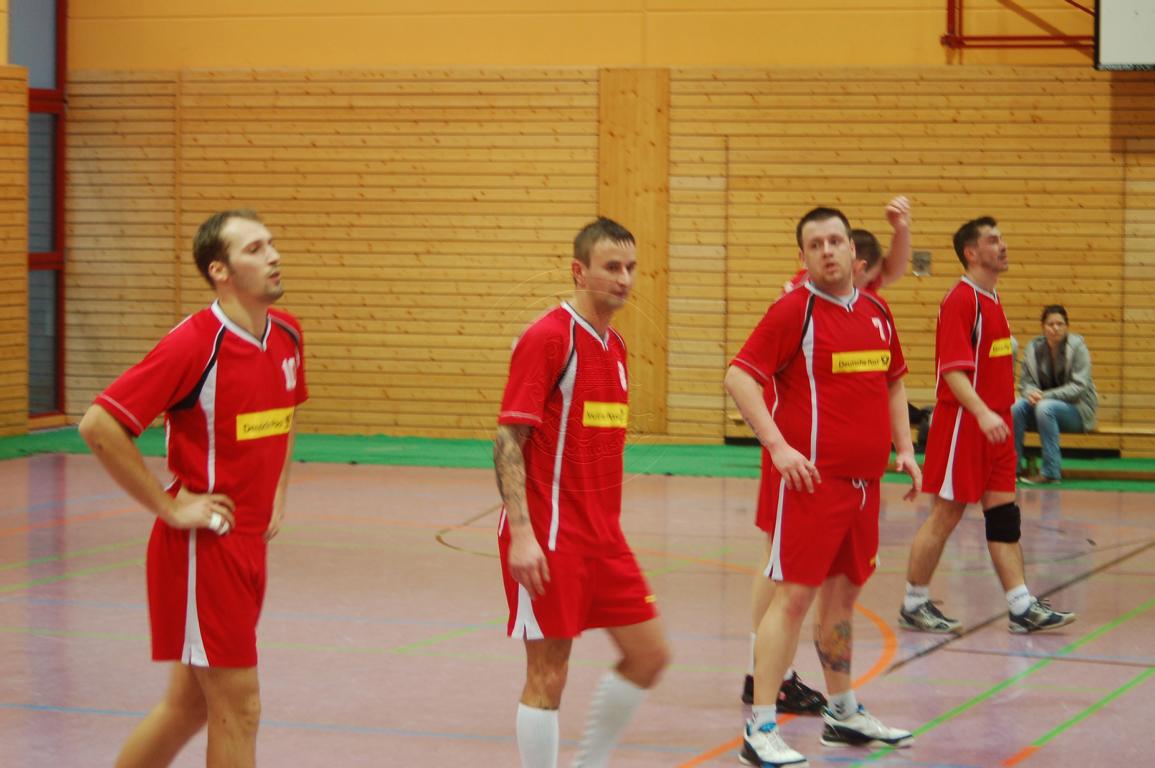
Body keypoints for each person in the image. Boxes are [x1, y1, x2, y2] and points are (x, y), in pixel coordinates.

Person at [78, 210, 306, 768]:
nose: (273, 255)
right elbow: (99, 425)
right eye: (254, 249)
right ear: (219, 271)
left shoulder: (287, 333)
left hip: (249, 544)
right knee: (239, 708)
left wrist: (278, 490)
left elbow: (285, 413)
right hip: (207, 551)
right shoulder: (193, 344)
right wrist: (169, 507)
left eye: (272, 243)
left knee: (188, 707)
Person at [726, 207, 920, 767]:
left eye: (836, 240)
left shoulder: (877, 311)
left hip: (865, 486)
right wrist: (778, 446)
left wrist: (905, 448)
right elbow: (739, 376)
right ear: (804, 256)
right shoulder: (794, 311)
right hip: (813, 486)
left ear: (854, 251)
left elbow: (893, 381)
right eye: (816, 245)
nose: (828, 251)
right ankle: (761, 727)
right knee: (793, 598)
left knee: (843, 599)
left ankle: (842, 711)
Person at [494, 217, 670, 768]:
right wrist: (522, 535)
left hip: (604, 537)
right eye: (611, 267)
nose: (624, 279)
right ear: (579, 271)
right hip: (550, 536)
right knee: (549, 674)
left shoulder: (615, 346)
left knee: (649, 655)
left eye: (631, 268)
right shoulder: (549, 337)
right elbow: (508, 439)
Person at [900, 217, 1076, 636]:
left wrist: (998, 413)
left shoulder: (993, 299)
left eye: (1002, 238)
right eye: (993, 240)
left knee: (1003, 515)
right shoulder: (961, 301)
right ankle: (914, 603)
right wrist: (981, 412)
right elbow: (952, 371)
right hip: (964, 424)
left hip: (995, 427)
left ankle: (1020, 606)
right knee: (945, 515)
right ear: (971, 253)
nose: (1003, 245)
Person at [1013, 305, 1098, 484]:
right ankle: (1011, 470)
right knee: (1017, 407)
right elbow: (1025, 383)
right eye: (1051, 324)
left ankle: (1051, 472)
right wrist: (1031, 393)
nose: (1055, 328)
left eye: (1060, 324)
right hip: (1043, 408)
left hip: (1078, 411)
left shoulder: (1078, 348)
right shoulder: (1033, 348)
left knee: (1045, 408)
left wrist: (1044, 396)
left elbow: (1079, 387)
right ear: (1043, 327)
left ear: (1067, 326)